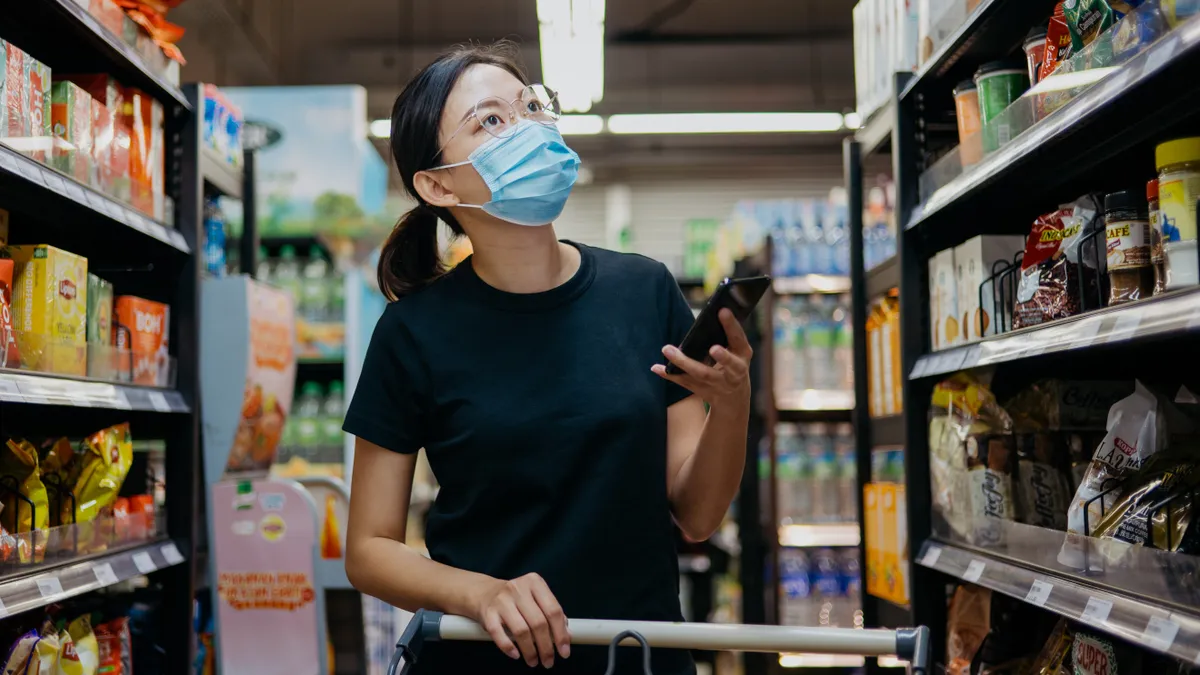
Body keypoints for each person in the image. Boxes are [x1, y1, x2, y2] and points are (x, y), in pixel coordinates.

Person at [343, 42, 753, 675]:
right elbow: (368, 549)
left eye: (532, 105)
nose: (529, 126)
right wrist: (481, 593)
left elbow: (696, 515)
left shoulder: (643, 290)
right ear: (437, 184)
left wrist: (732, 404)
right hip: (486, 656)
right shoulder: (413, 332)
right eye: (492, 120)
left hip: (637, 655)